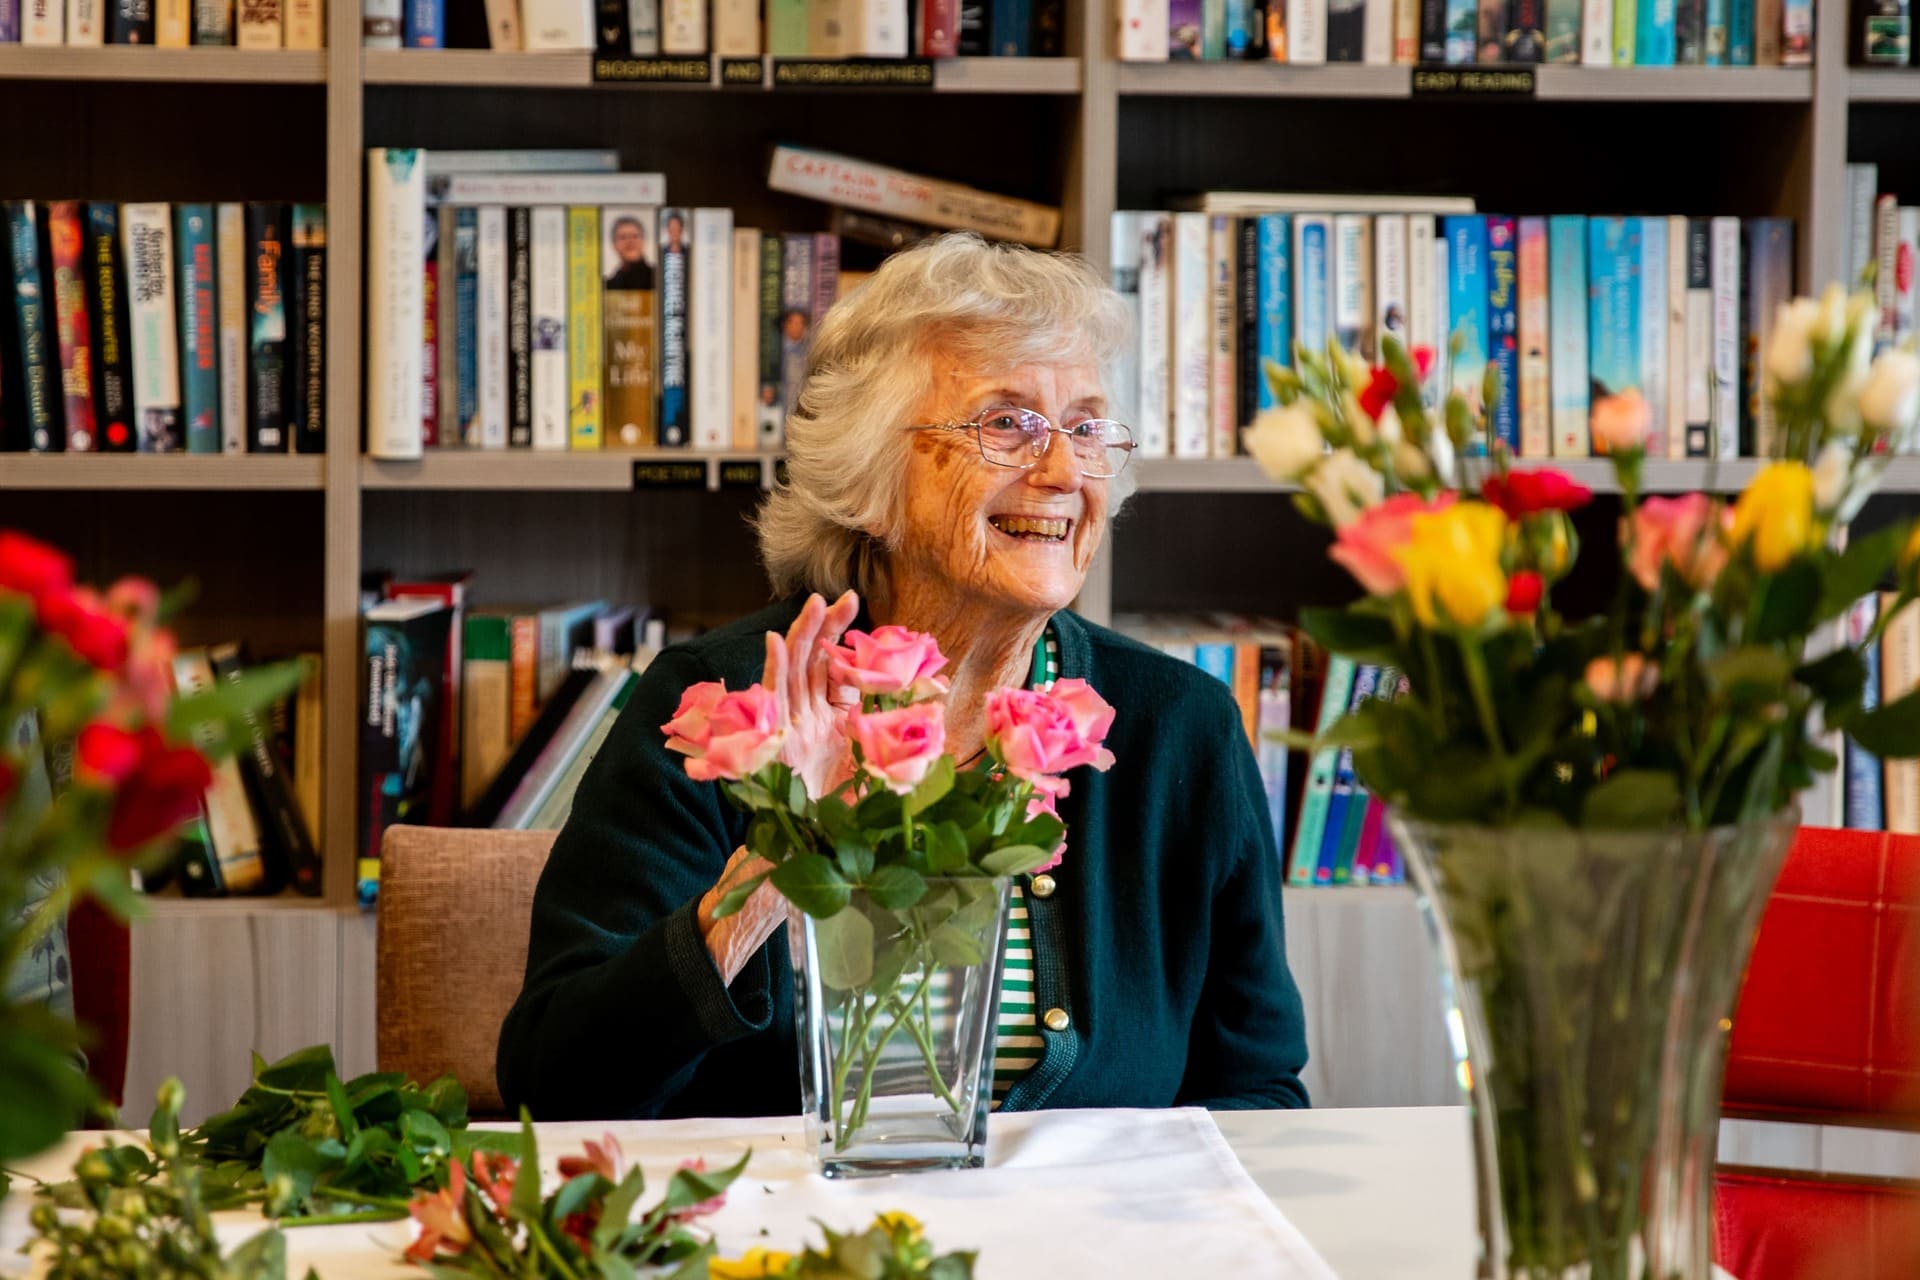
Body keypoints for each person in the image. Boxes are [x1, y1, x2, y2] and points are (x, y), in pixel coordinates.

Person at [496, 232, 1311, 1121]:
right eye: (1006, 423)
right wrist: (762, 884)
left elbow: (1258, 1087)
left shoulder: (1178, 724)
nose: (1061, 470)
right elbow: (553, 1081)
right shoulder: (723, 710)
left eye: (1084, 427)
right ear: (871, 468)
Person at [605, 214, 654, 291]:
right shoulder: (609, 286)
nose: (630, 241)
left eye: (635, 236)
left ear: (643, 241)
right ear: (614, 245)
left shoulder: (659, 279)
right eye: (623, 237)